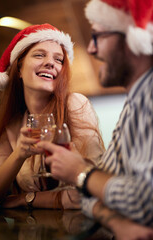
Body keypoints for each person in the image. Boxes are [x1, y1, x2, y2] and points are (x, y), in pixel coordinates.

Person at [36, 0, 153, 238]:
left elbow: (145, 203)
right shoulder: (133, 104)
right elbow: (92, 193)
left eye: (98, 36)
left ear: (133, 40)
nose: (91, 48)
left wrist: (81, 173)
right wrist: (114, 219)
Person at [0, 23, 105, 209]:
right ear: (19, 69)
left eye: (59, 59)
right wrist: (19, 154)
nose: (51, 63)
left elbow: (93, 189)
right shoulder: (13, 124)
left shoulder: (74, 104)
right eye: (39, 54)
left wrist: (25, 199)